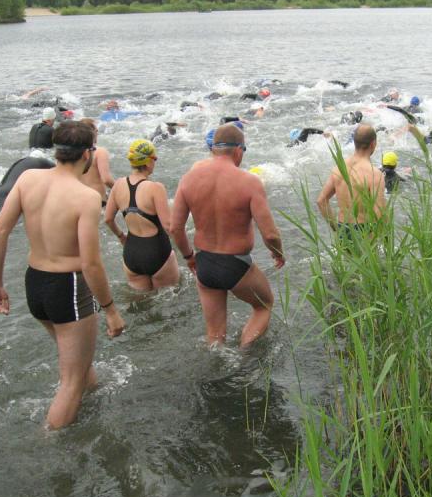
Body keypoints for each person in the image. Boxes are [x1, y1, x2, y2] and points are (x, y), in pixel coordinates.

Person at [0, 121, 125, 430]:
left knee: (78, 365)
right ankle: (51, 441)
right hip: (69, 286)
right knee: (71, 381)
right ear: (87, 153)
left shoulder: (28, 179)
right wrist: (111, 310)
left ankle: (90, 409)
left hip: (34, 282)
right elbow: (91, 263)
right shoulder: (86, 197)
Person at [170, 123, 285, 347]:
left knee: (214, 336)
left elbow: (175, 228)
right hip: (236, 264)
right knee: (264, 306)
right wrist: (278, 253)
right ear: (238, 150)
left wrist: (189, 257)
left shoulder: (188, 179)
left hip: (204, 263)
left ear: (214, 148)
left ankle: (218, 363)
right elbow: (270, 234)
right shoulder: (249, 182)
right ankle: (244, 356)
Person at [105, 139, 179, 291]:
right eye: (155, 158)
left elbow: (108, 219)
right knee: (169, 298)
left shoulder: (118, 185)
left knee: (140, 300)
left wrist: (121, 236)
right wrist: (186, 251)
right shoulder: (156, 188)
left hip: (131, 252)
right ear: (148, 161)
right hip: (157, 251)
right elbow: (168, 226)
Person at [317, 124, 386, 235]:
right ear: (373, 144)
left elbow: (321, 201)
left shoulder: (339, 168)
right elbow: (380, 214)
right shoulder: (375, 175)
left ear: (354, 142)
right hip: (364, 231)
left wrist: (336, 228)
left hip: (342, 228)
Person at [79, 119, 114, 206]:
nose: (97, 133)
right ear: (91, 133)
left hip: (78, 199)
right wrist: (121, 189)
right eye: (96, 130)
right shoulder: (100, 152)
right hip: (97, 200)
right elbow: (106, 179)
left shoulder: (72, 152)